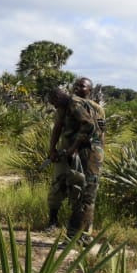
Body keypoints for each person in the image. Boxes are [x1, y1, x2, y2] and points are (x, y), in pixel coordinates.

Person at [46, 77, 106, 240]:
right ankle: (72, 232)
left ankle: (81, 235)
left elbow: (93, 128)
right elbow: (57, 128)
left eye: (83, 86)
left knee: (86, 192)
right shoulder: (66, 106)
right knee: (68, 187)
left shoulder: (79, 104)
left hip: (88, 152)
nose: (78, 88)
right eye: (76, 85)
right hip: (75, 152)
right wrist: (53, 149)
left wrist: (76, 149)